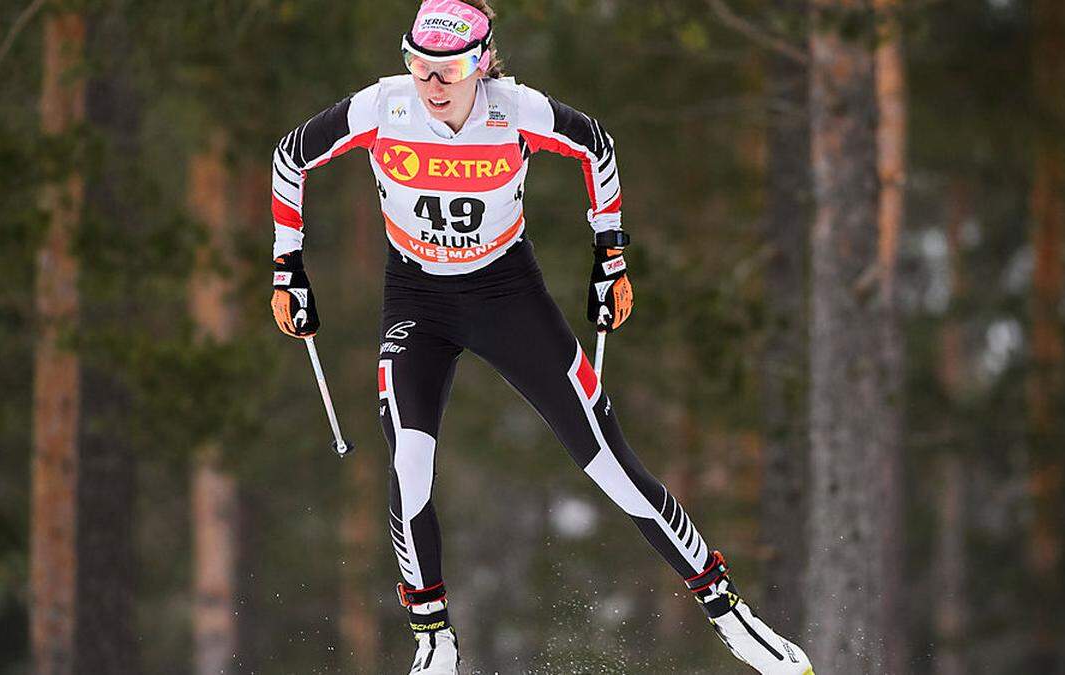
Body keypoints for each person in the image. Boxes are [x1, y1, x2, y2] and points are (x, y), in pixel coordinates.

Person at [270, 1, 813, 673]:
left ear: (483, 63)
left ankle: (728, 610)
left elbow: (597, 146)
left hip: (506, 293)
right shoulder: (382, 108)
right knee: (409, 460)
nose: (431, 86)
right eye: (418, 66)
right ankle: (433, 637)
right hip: (417, 297)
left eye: (449, 70)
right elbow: (289, 157)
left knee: (609, 465)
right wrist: (286, 265)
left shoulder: (516, 111)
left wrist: (610, 253)